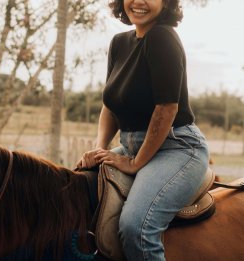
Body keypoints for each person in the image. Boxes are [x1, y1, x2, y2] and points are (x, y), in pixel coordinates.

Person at [77, 0, 209, 260]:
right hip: (131, 146)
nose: (138, 1)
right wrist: (100, 148)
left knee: (137, 228)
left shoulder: (162, 38)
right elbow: (111, 105)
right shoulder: (119, 43)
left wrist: (135, 163)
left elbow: (166, 109)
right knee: (74, 188)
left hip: (176, 148)